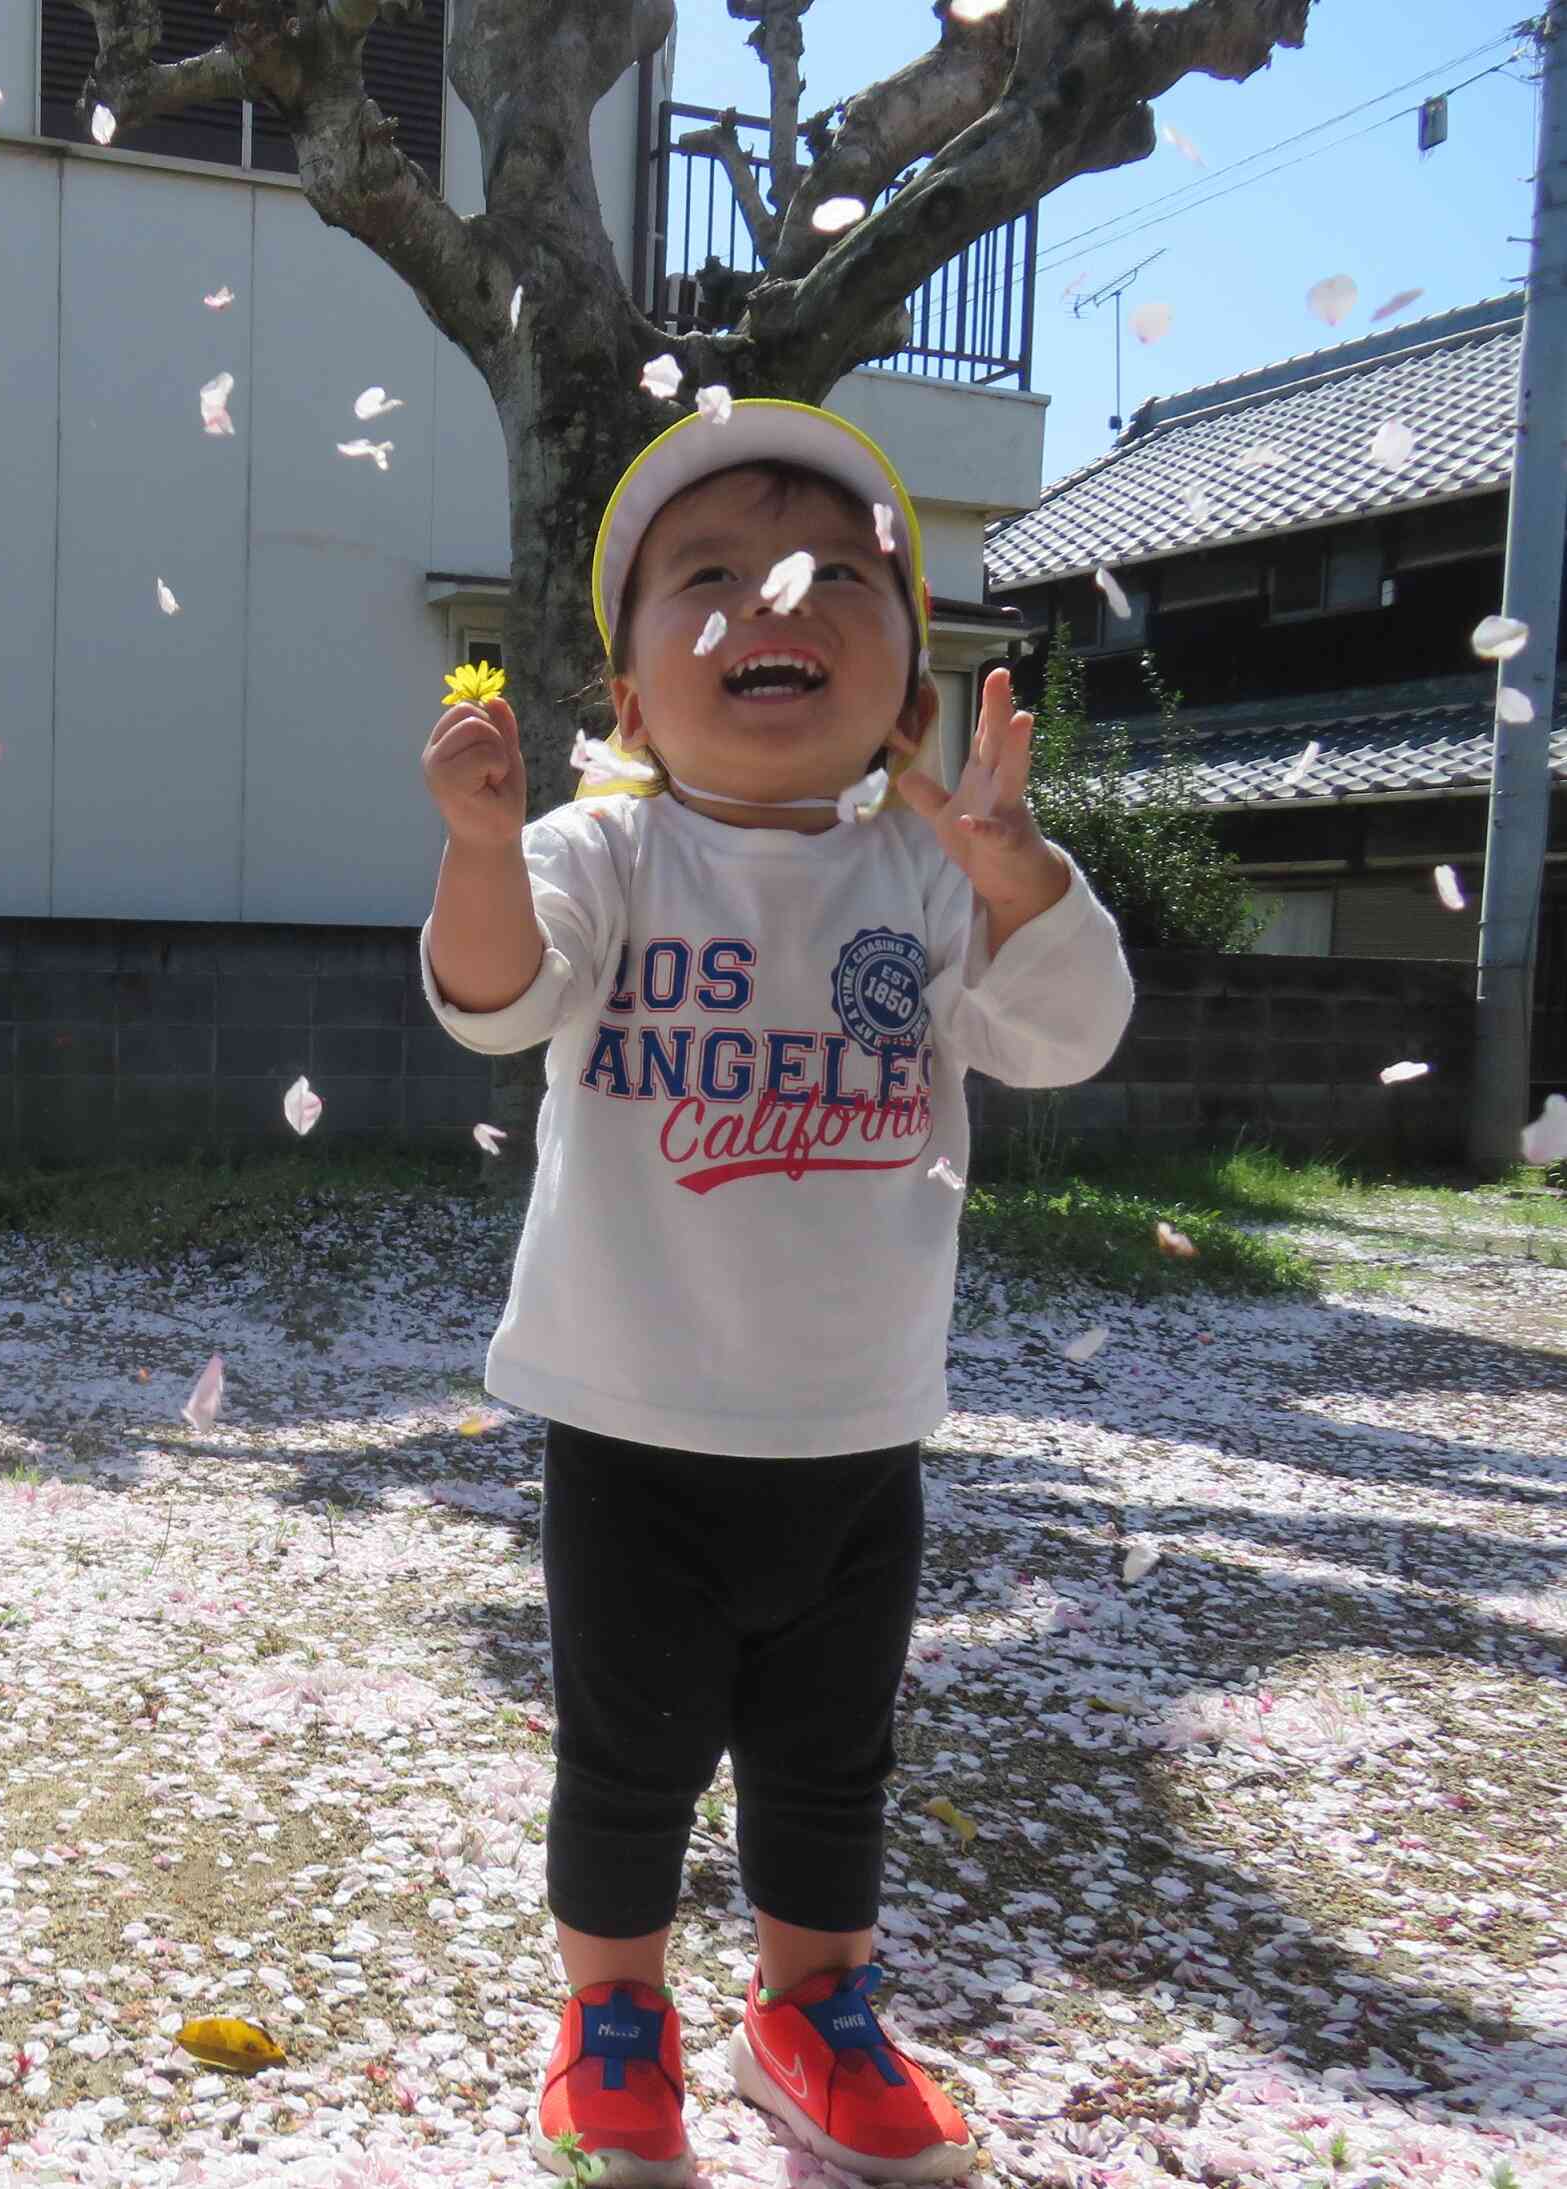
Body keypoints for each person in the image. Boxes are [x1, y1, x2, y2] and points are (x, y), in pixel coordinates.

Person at [419, 402, 1133, 2185]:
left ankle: (811, 2005)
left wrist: (1020, 877)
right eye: (713, 578)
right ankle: (614, 2017)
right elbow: (492, 1002)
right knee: (629, 1753)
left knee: (831, 1756)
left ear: (904, 695)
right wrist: (484, 849)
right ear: (630, 700)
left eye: (827, 579)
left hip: (854, 1423)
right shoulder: (606, 853)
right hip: (633, 1416)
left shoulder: (931, 876)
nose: (772, 603)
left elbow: (1068, 1036)